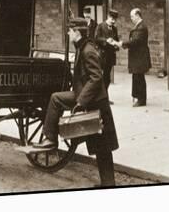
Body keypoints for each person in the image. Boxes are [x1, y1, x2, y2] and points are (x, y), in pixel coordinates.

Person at [34, 18, 118, 187]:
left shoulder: (87, 50)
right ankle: (108, 183)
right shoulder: (82, 47)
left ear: (78, 33)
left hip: (95, 102)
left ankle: (50, 138)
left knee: (103, 146)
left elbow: (96, 78)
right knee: (102, 146)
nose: (68, 33)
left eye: (70, 30)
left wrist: (80, 101)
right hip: (92, 99)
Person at [117, 8, 151, 107]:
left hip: (139, 57)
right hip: (137, 56)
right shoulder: (139, 26)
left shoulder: (142, 27)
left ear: (137, 15)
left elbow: (135, 41)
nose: (131, 18)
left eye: (132, 16)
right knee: (137, 77)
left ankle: (141, 99)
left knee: (139, 77)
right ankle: (138, 97)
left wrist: (122, 43)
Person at [95, 9, 120, 104]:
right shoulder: (100, 26)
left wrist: (116, 44)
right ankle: (99, 98)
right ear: (108, 17)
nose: (113, 21)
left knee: (107, 78)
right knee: (100, 77)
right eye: (112, 19)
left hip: (110, 56)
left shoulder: (114, 28)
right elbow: (96, 38)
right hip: (102, 55)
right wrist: (106, 40)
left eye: (115, 20)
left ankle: (104, 97)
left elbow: (116, 39)